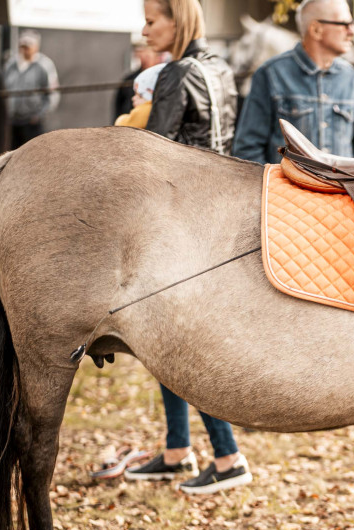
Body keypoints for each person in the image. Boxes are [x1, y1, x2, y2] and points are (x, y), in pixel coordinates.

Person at [120, 0, 249, 494]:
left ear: (179, 21)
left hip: (181, 219)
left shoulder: (174, 73)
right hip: (221, 212)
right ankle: (177, 448)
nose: (145, 28)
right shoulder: (220, 69)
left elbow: (153, 154)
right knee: (163, 333)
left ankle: (228, 455)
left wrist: (127, 125)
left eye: (152, 20)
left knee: (181, 339)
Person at [231, 0, 354, 164]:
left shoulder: (350, 77)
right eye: (345, 24)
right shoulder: (270, 74)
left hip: (339, 190)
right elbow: (248, 149)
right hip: (287, 189)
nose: (352, 31)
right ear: (316, 30)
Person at [1, 30, 59, 148]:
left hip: (32, 122)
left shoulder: (44, 65)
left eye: (28, 46)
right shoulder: (11, 65)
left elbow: (53, 94)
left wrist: (39, 115)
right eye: (23, 45)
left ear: (36, 46)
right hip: (12, 121)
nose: (25, 49)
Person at [114, 40, 163, 122]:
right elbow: (120, 106)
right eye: (138, 52)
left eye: (146, 53)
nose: (142, 56)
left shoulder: (164, 77)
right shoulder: (130, 79)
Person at [114, 63, 166, 128]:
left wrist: (120, 120)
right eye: (135, 94)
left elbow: (125, 124)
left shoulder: (146, 110)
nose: (133, 98)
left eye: (140, 96)